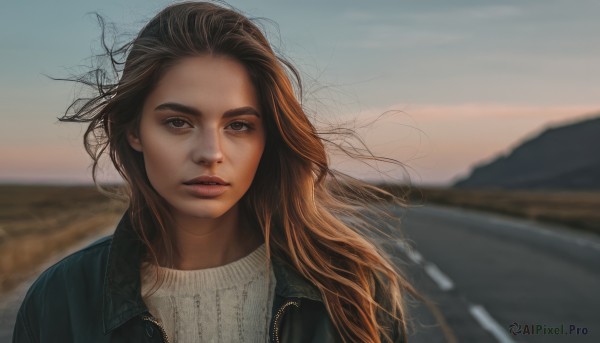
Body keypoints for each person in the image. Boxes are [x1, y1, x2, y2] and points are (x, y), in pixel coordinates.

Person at [13, 1, 425, 342]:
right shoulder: (60, 299)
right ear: (133, 131)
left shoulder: (353, 289)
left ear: (269, 138)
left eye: (239, 126)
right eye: (178, 122)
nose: (211, 153)